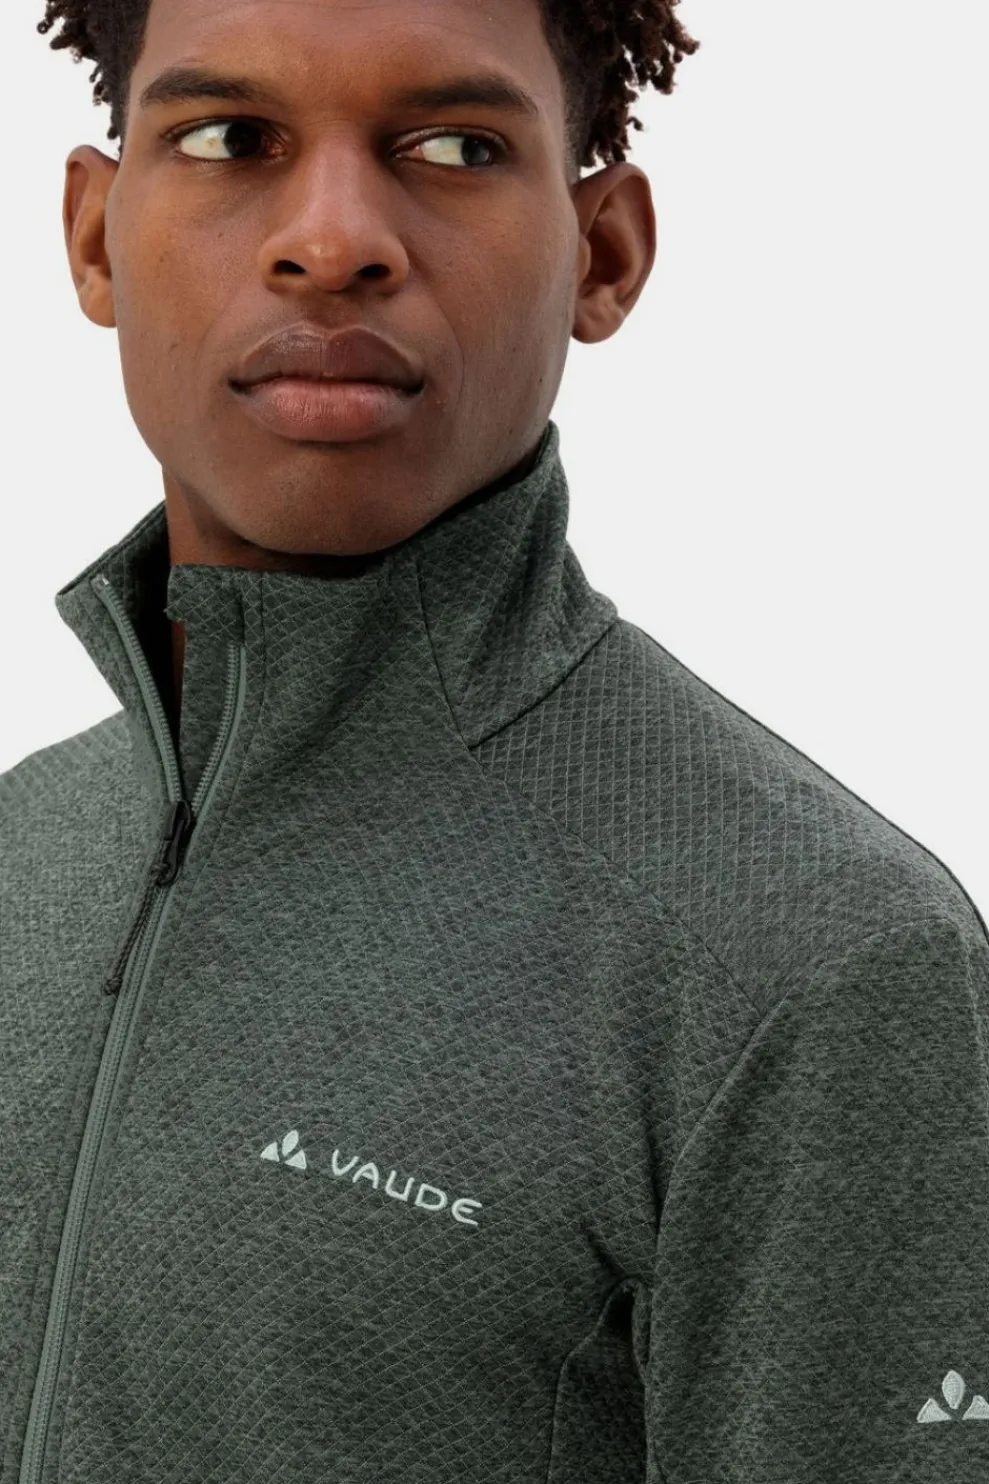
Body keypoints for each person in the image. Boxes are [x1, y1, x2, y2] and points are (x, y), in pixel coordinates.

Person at [2, 1, 986, 1480]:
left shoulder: (816, 955)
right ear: (94, 236)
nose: (332, 240)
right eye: (230, 138)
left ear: (604, 254)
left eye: (456, 147)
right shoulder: (21, 852)